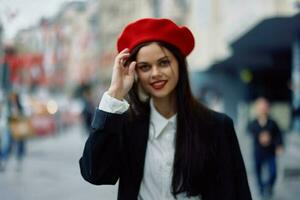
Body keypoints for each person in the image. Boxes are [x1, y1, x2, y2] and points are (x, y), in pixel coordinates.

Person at [79, 18, 252, 200]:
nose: (155, 73)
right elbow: (94, 173)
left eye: (163, 63)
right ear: (135, 72)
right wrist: (114, 94)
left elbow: (237, 192)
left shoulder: (217, 126)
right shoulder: (127, 126)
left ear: (179, 64)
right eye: (145, 67)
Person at [247, 97, 283, 199]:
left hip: (270, 152)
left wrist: (279, 146)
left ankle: (269, 186)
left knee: (273, 172)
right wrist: (260, 135)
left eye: (265, 106)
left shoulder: (273, 123)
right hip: (258, 152)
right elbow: (250, 130)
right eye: (261, 106)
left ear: (268, 108)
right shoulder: (253, 122)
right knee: (257, 172)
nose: (263, 108)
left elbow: (278, 135)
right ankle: (261, 189)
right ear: (257, 108)